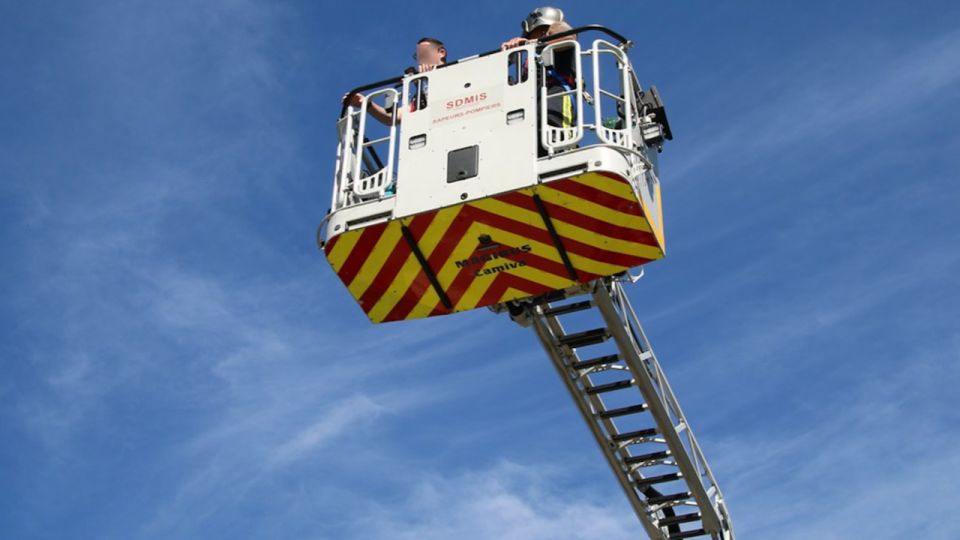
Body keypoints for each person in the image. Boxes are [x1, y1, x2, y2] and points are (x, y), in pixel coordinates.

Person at [342, 37, 447, 126]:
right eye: (418, 56)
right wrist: (367, 104)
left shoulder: (461, 74)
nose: (420, 59)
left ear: (441, 53)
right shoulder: (420, 97)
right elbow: (393, 118)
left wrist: (433, 77)